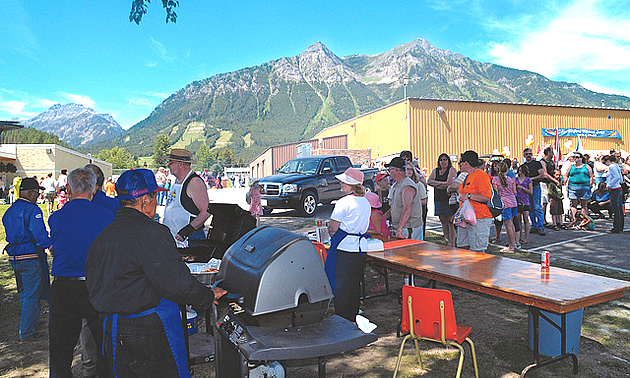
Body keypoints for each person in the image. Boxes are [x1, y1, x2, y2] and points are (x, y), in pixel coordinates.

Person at [85, 168, 226, 377]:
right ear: (144, 201)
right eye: (154, 196)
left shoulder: (104, 236)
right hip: (147, 332)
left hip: (112, 329)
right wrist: (207, 295)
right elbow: (175, 283)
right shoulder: (152, 232)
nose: (156, 202)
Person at [48, 168, 113, 378]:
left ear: (68, 189)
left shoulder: (56, 217)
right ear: (94, 189)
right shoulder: (106, 216)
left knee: (60, 349)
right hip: (96, 285)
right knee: (105, 345)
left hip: (64, 286)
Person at [2, 178, 52, 341]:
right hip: (30, 254)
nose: (38, 196)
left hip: (14, 256)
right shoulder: (32, 210)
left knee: (24, 292)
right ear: (30, 193)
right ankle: (27, 331)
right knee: (32, 294)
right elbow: (39, 235)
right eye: (37, 193)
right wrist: (50, 246)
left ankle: (29, 325)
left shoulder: (10, 210)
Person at [325, 167, 371, 321]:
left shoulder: (343, 202)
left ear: (351, 185)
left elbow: (333, 228)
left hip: (345, 247)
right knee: (354, 284)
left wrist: (334, 235)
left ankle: (342, 319)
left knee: (342, 286)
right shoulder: (365, 201)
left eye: (343, 182)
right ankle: (352, 314)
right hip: (360, 248)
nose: (340, 184)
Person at [163, 149, 211, 247]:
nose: (168, 165)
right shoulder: (177, 181)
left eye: (171, 162)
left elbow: (206, 211)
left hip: (190, 240)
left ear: (181, 164)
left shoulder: (194, 182)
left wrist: (186, 231)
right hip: (176, 241)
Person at [456, 150, 493, 252]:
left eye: (461, 162)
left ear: (466, 163)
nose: (460, 165)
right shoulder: (465, 175)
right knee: (462, 246)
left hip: (479, 218)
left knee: (477, 251)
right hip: (465, 218)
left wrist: (468, 196)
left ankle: (479, 268)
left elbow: (486, 197)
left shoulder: (481, 175)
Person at [384, 157, 423, 240]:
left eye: (389, 170)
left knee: (409, 252)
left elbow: (407, 207)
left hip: (409, 227)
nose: (389, 173)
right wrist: (384, 217)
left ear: (395, 171)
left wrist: (400, 229)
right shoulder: (397, 184)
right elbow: (396, 206)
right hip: (402, 227)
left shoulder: (407, 186)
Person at [427, 153, 457, 246]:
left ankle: (452, 242)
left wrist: (437, 184)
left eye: (445, 159)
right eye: (441, 160)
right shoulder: (435, 170)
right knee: (443, 220)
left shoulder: (451, 170)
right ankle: (446, 240)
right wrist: (442, 184)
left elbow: (449, 183)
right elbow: (429, 181)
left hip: (449, 199)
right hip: (438, 198)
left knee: (450, 220)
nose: (443, 162)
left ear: (448, 161)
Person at [492, 162, 518, 252]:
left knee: (508, 225)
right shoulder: (511, 180)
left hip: (504, 203)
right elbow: (514, 192)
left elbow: (496, 194)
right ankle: (513, 243)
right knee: (512, 224)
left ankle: (511, 246)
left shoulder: (495, 180)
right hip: (513, 202)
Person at [564, 151, 593, 227]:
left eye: (577, 157)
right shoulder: (571, 166)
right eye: (574, 157)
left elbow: (591, 176)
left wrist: (590, 184)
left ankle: (584, 220)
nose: (575, 159)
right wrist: (565, 181)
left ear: (581, 158)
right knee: (574, 204)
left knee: (584, 204)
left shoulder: (586, 166)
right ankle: (574, 220)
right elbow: (566, 175)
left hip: (584, 187)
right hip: (573, 187)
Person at [522, 148, 547, 236]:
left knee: (537, 207)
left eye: (530, 154)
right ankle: (533, 225)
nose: (528, 155)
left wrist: (531, 179)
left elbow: (542, 175)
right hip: (527, 189)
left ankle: (540, 226)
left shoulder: (537, 164)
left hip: (535, 186)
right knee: (530, 208)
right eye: (526, 154)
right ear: (524, 155)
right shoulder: (523, 166)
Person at [604, 155, 624, 233]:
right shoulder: (616, 166)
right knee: (619, 209)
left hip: (614, 189)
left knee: (616, 210)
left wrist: (609, 186)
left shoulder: (612, 167)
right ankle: (620, 227)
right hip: (618, 188)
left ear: (608, 161)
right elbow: (620, 177)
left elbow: (616, 177)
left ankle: (616, 228)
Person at [515, 165, 533, 245]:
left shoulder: (528, 180)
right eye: (519, 170)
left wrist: (522, 188)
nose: (520, 172)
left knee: (526, 219)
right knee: (518, 220)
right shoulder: (516, 179)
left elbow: (531, 191)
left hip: (525, 201)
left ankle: (526, 238)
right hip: (518, 201)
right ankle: (519, 237)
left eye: (521, 170)